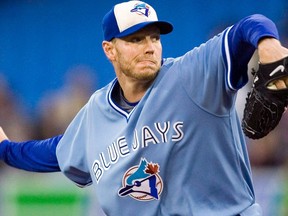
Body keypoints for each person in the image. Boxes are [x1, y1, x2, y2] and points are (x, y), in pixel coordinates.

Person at [1, 1, 288, 215]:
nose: (149, 47)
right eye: (136, 39)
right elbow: (54, 152)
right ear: (109, 50)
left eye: (154, 37)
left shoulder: (192, 75)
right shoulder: (94, 114)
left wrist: (268, 44)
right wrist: (5, 149)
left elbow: (249, 26)